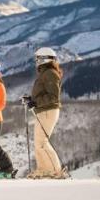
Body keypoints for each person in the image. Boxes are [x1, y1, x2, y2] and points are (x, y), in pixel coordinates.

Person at [22, 47, 68, 179]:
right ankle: (43, 169)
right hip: (43, 110)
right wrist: (32, 100)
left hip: (48, 111)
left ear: (44, 59)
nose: (36, 61)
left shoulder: (50, 73)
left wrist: (36, 103)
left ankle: (55, 170)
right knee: (38, 142)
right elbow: (44, 94)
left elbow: (53, 97)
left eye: (38, 58)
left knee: (42, 142)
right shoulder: (45, 73)